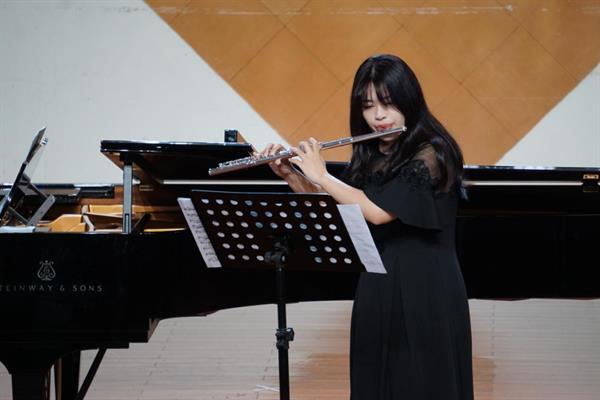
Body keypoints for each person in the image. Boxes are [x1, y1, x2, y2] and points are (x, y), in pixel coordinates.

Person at [260, 54, 473, 400]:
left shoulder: (433, 152)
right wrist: (292, 175)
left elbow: (377, 212)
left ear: (409, 100)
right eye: (368, 106)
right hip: (378, 285)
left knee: (419, 385)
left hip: (425, 290)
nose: (378, 116)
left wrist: (322, 175)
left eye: (388, 104)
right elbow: (341, 209)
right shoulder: (373, 153)